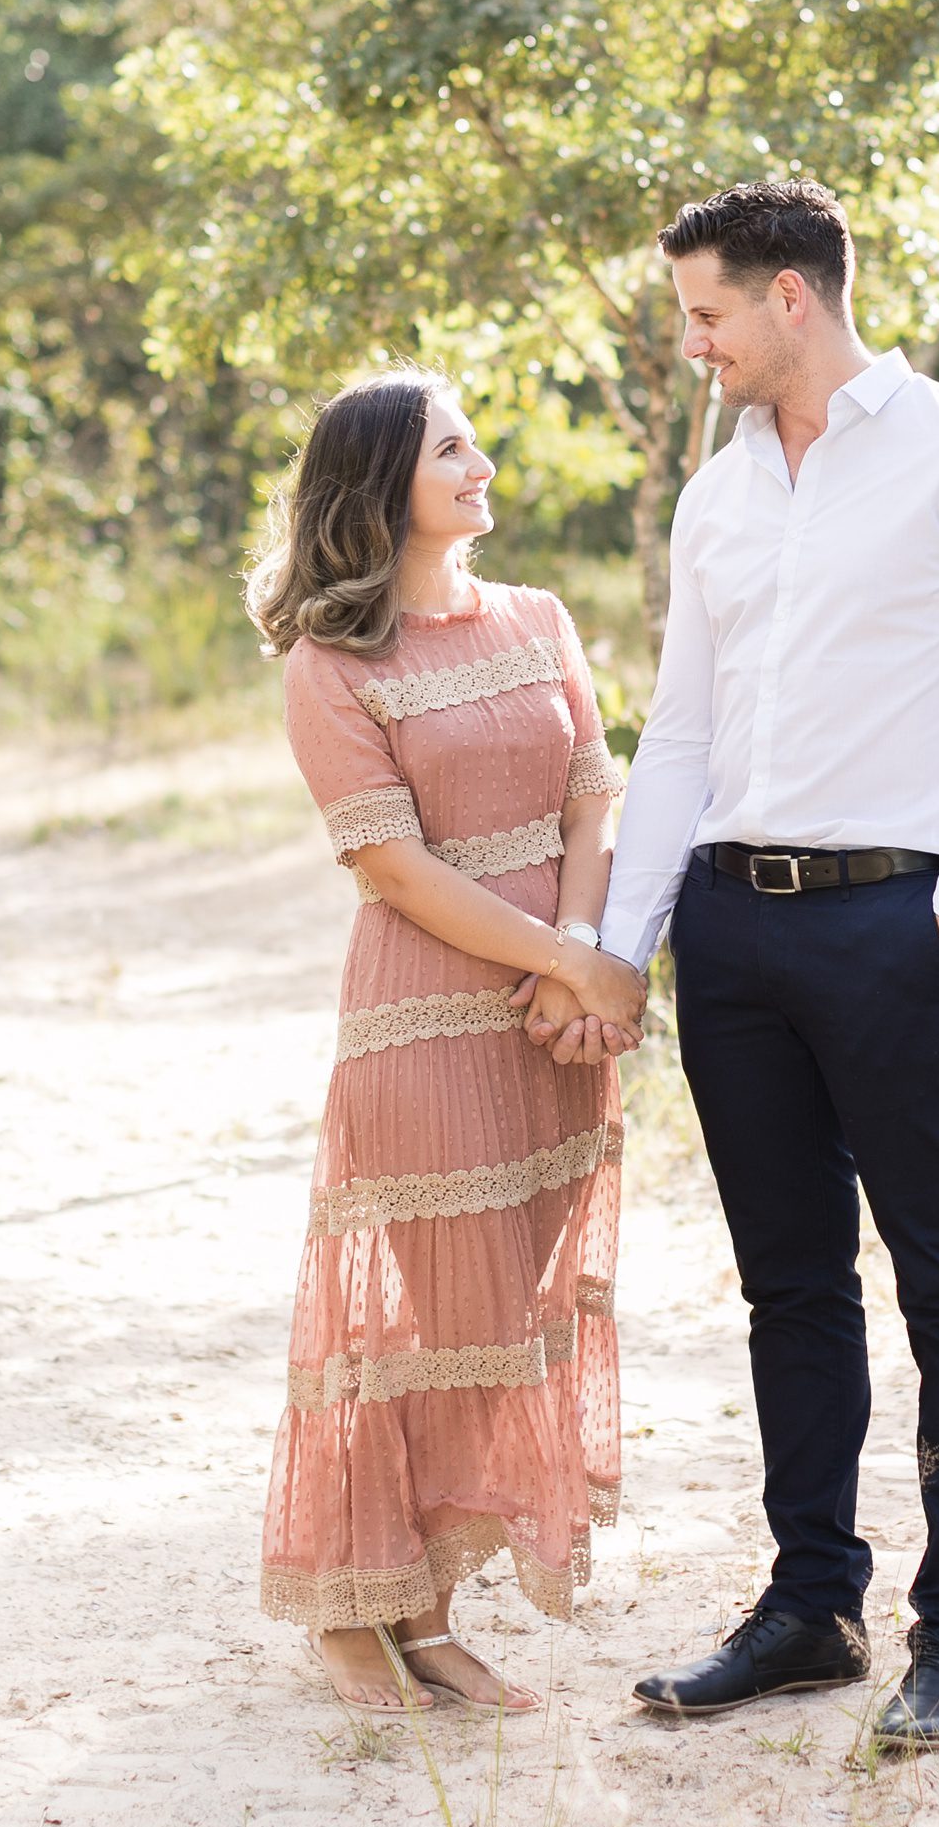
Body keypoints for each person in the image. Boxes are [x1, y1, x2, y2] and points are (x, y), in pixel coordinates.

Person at [601, 182, 939, 1750]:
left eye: (707, 314)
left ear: (793, 298)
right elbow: (678, 732)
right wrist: (635, 940)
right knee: (787, 1285)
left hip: (900, 923)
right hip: (732, 933)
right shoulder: (718, 497)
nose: (694, 345)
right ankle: (812, 1605)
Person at [251, 368, 647, 1714]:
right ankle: (385, 1617)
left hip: (555, 1021)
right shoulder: (333, 665)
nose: (482, 466)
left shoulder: (539, 619)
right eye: (451, 451)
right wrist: (565, 960)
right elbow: (398, 872)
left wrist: (584, 959)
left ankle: (403, 1603)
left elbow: (597, 794)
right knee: (440, 1323)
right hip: (428, 1018)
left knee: (513, 1314)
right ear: (378, 490)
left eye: (476, 442)